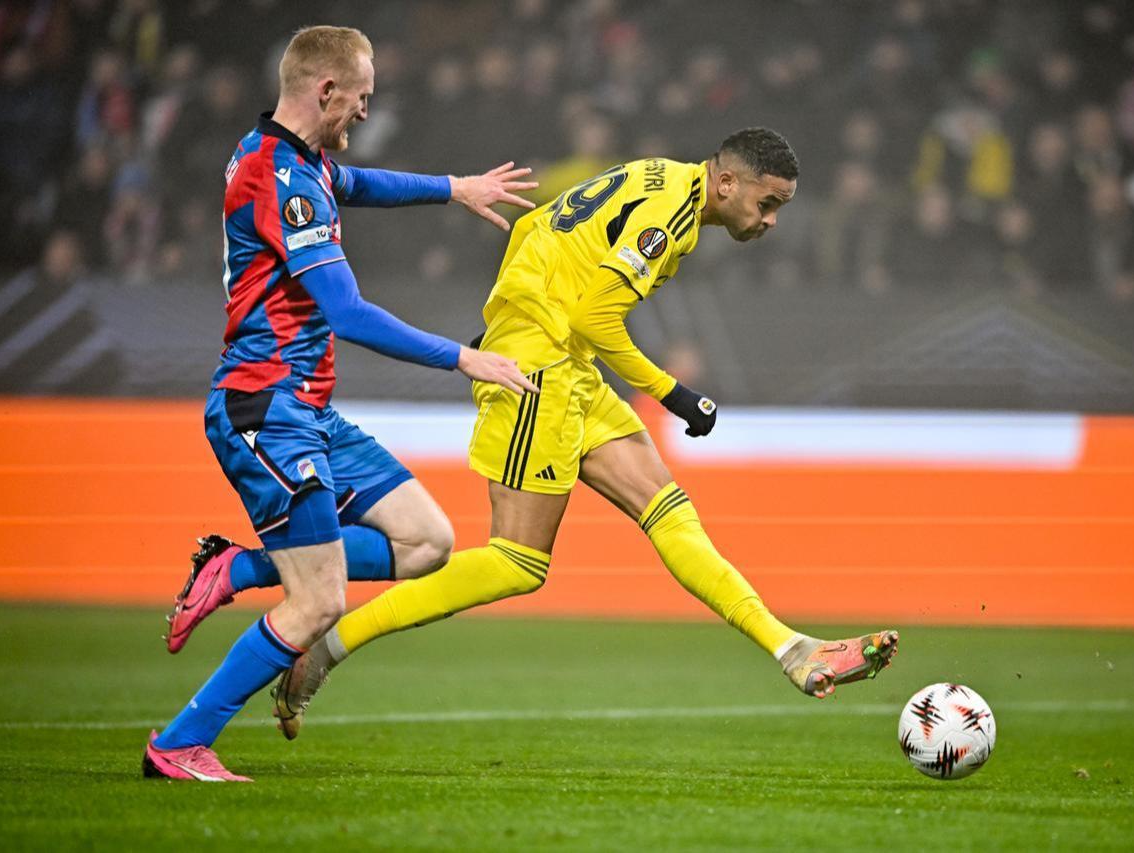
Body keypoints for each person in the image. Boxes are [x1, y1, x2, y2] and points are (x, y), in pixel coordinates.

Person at [269, 128, 900, 740]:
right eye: (767, 204)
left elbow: (538, 229)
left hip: (564, 359)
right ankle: (325, 645)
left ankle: (791, 648)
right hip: (536, 369)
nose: (769, 221)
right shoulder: (671, 212)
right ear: (727, 182)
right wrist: (671, 392)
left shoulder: (663, 174)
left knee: (671, 514)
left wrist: (515, 305)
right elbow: (597, 315)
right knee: (516, 563)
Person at [142, 25, 539, 783]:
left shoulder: (295, 159)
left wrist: (454, 188)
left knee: (427, 541)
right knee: (317, 599)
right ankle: (181, 742)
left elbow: (360, 184)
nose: (362, 114)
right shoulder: (283, 179)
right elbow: (347, 312)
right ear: (326, 90)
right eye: (360, 99)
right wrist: (466, 358)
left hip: (309, 412)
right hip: (265, 406)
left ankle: (242, 565)